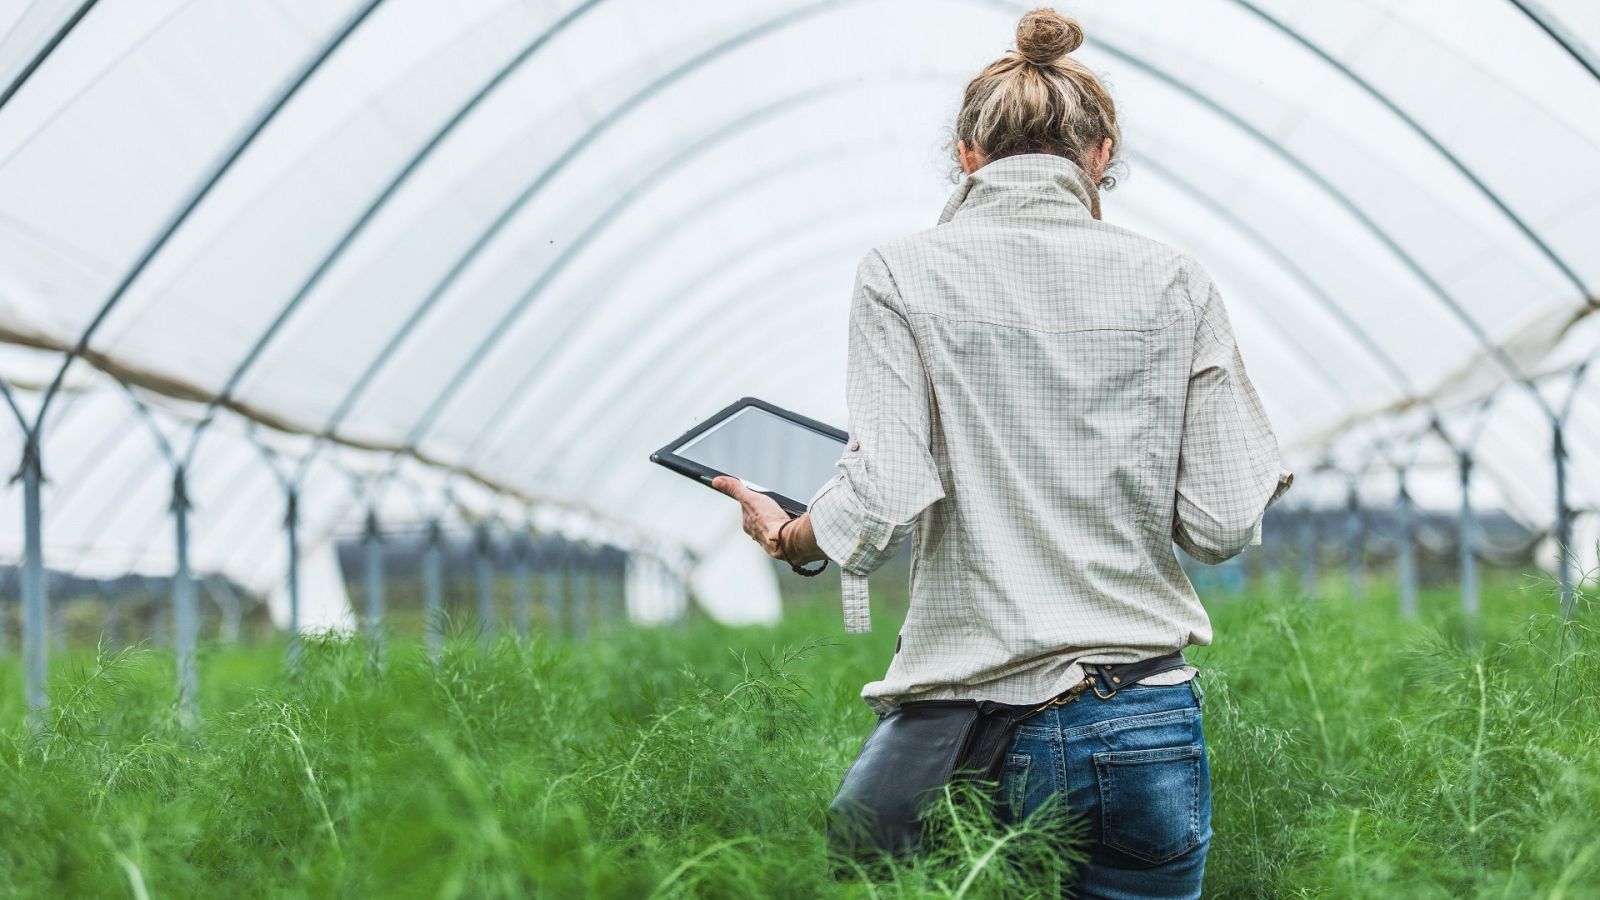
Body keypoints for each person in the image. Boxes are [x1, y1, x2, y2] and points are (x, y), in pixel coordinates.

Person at [714, 7, 1291, 897]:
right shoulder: (1177, 281)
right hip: (1143, 718)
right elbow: (1219, 523)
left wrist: (793, 537)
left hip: (974, 732)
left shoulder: (902, 272)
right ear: (1101, 156)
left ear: (968, 156)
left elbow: (884, 491)